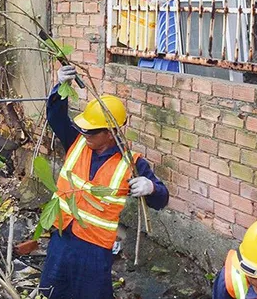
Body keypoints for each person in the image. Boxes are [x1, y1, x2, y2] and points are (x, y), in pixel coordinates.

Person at [38, 65, 170, 299]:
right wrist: (60, 88)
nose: (85, 135)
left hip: (94, 249)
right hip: (62, 236)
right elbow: (56, 117)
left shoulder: (132, 163)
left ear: (110, 133)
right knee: (52, 291)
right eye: (84, 130)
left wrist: (150, 188)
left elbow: (161, 198)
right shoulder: (76, 141)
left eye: (91, 132)